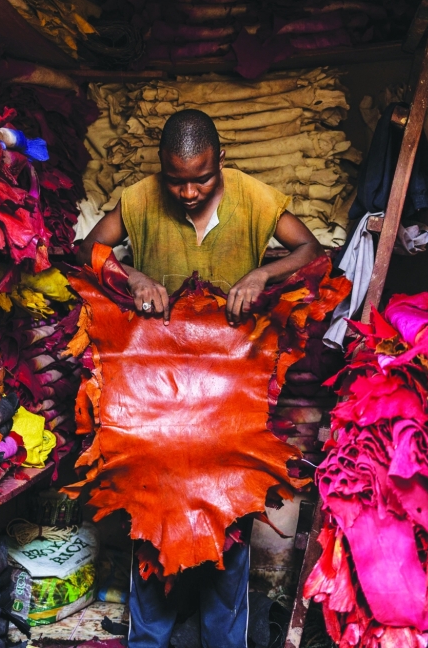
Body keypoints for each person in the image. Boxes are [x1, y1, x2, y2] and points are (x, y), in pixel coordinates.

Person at [77, 109, 323, 648]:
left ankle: (223, 641)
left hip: (229, 390)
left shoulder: (255, 198)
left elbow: (311, 250)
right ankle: (148, 641)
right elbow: (85, 250)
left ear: (222, 162)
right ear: (161, 170)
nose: (188, 191)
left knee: (229, 526)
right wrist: (130, 273)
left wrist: (262, 273)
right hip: (154, 390)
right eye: (176, 179)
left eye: (202, 178)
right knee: (151, 523)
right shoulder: (139, 198)